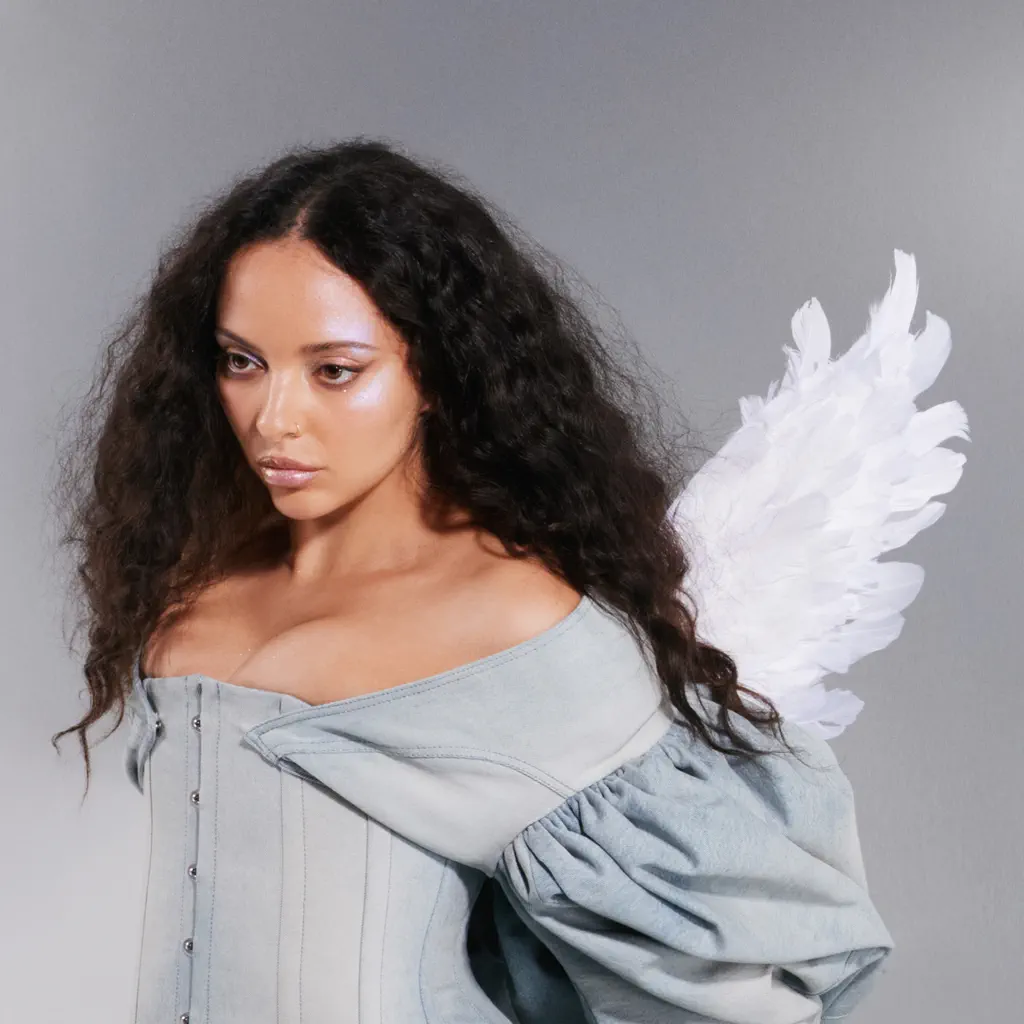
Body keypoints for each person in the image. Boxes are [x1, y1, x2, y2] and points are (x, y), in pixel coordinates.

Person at [51, 138, 894, 1023]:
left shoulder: (513, 620)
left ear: (437, 375)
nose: (274, 417)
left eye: (335, 371)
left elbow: (730, 980)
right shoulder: (189, 602)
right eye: (242, 362)